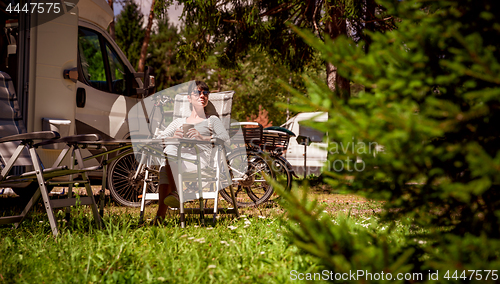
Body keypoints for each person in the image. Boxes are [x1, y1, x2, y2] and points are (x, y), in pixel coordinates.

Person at [152, 81, 229, 224]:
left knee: (166, 166)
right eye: (197, 92)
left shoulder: (211, 120)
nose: (202, 96)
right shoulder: (178, 122)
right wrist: (173, 137)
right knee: (169, 151)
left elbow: (225, 138)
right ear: (189, 98)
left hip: (200, 163)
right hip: (177, 161)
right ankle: (175, 193)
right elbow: (157, 139)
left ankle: (161, 215)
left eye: (205, 93)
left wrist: (203, 137)